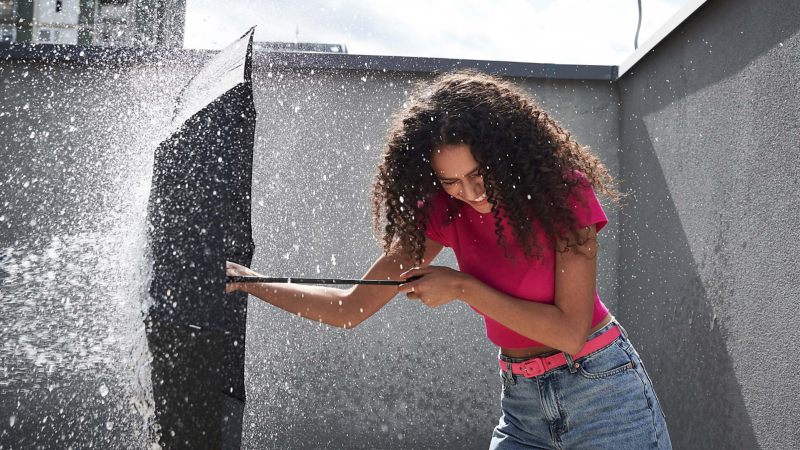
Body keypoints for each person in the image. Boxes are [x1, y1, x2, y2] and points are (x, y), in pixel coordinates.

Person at [226, 70, 672, 449]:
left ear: (507, 152)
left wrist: (460, 287)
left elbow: (570, 332)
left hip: (602, 395)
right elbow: (349, 307)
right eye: (452, 180)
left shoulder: (562, 193)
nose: (471, 192)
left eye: (480, 173)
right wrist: (249, 281)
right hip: (523, 407)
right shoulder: (444, 212)